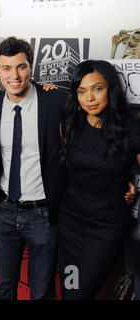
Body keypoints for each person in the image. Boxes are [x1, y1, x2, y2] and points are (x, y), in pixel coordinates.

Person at [0, 37, 68, 300]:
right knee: (3, 286)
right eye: (7, 68)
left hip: (43, 214)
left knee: (42, 291)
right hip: (5, 212)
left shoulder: (55, 102)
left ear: (31, 67)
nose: (14, 75)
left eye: (21, 67)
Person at [58, 60, 140, 299]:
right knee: (69, 290)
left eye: (98, 88)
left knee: (79, 294)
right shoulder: (71, 125)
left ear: (110, 89)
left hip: (105, 230)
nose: (89, 98)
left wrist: (130, 187)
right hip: (70, 224)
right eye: (82, 91)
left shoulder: (131, 130)